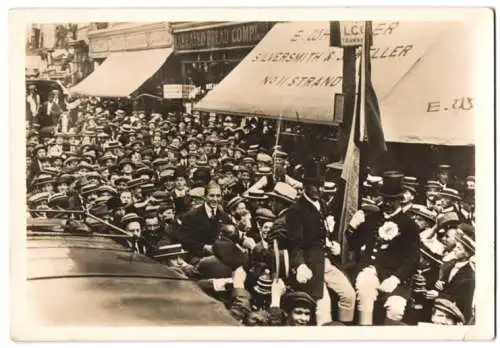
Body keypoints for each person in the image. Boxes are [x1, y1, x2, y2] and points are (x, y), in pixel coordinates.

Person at [347, 170, 419, 325]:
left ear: (401, 200)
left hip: (396, 277)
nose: (387, 203)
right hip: (371, 270)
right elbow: (355, 243)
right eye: (386, 199)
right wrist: (352, 228)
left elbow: (413, 259)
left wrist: (396, 278)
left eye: (392, 200)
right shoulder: (373, 218)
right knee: (364, 292)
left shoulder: (409, 224)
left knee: (396, 308)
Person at [177, 182, 232, 264]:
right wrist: (203, 247)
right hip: (197, 256)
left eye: (218, 196)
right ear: (205, 197)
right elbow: (184, 239)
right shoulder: (191, 216)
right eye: (212, 195)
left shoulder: (224, 216)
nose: (215, 199)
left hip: (219, 256)